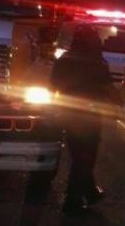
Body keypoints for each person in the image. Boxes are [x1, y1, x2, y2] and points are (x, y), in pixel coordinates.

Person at [50, 24, 117, 214]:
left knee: (79, 156)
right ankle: (72, 201)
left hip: (69, 114)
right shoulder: (97, 61)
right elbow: (107, 88)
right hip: (90, 117)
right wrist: (120, 104)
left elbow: (53, 85)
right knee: (85, 158)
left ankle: (90, 192)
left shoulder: (64, 59)